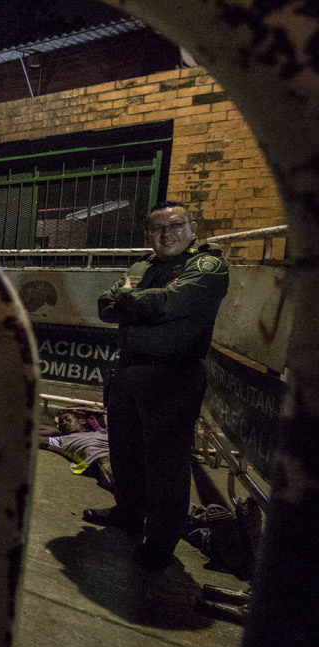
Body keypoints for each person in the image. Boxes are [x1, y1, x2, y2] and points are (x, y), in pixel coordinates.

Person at [89, 200, 229, 571]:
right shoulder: (143, 265)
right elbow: (105, 306)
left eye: (175, 225)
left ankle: (161, 543)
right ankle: (129, 513)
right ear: (148, 234)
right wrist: (134, 302)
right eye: (157, 228)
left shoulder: (207, 266)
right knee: (126, 452)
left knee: (165, 465)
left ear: (192, 228)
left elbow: (167, 303)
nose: (166, 234)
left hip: (173, 377)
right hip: (130, 372)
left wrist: (130, 300)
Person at [40, 410, 113, 493]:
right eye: (61, 423)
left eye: (67, 419)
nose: (64, 423)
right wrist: (54, 431)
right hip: (102, 459)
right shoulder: (62, 440)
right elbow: (34, 438)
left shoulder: (102, 432)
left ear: (82, 421)